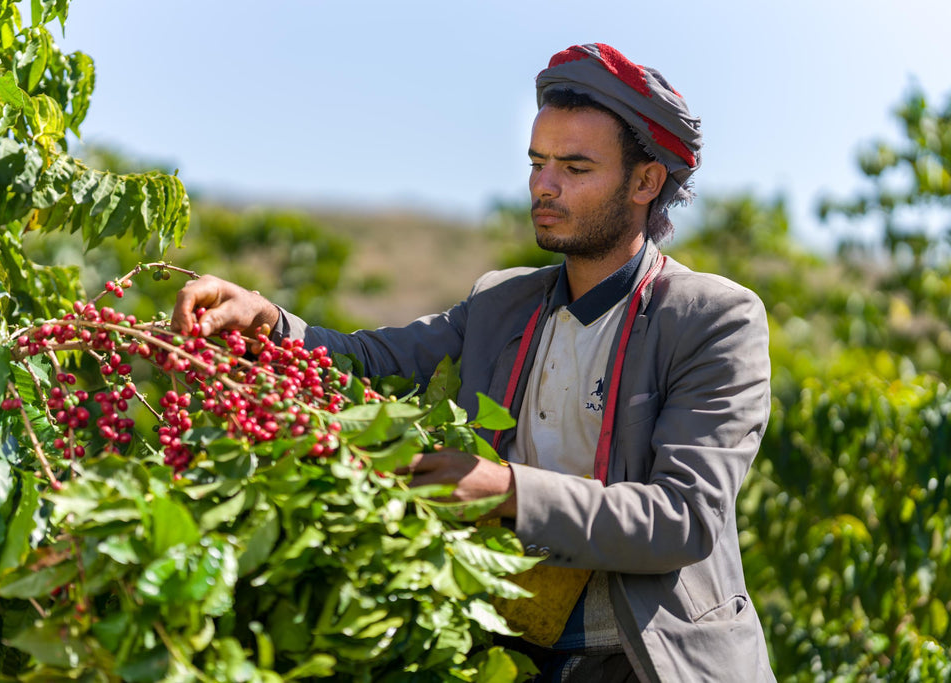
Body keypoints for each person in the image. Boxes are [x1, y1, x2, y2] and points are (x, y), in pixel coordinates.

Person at [172, 43, 775, 682]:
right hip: (508, 655)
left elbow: (679, 520)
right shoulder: (500, 302)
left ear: (645, 182)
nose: (545, 184)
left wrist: (507, 490)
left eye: (575, 167)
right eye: (538, 162)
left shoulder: (714, 319)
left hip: (648, 660)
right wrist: (268, 320)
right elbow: (374, 361)